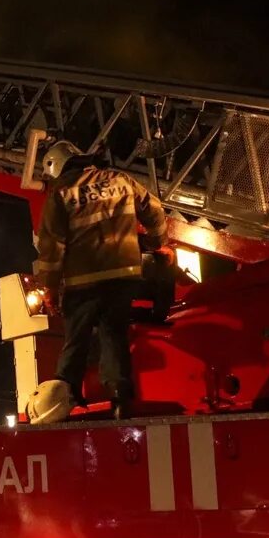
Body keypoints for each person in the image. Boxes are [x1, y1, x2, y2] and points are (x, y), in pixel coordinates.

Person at [33, 140, 167, 419]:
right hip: (124, 276)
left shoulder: (61, 192)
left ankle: (61, 401)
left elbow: (51, 247)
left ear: (55, 167)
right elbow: (154, 210)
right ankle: (120, 400)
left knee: (76, 339)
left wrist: (49, 286)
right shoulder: (120, 179)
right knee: (113, 334)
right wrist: (156, 242)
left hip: (83, 281)